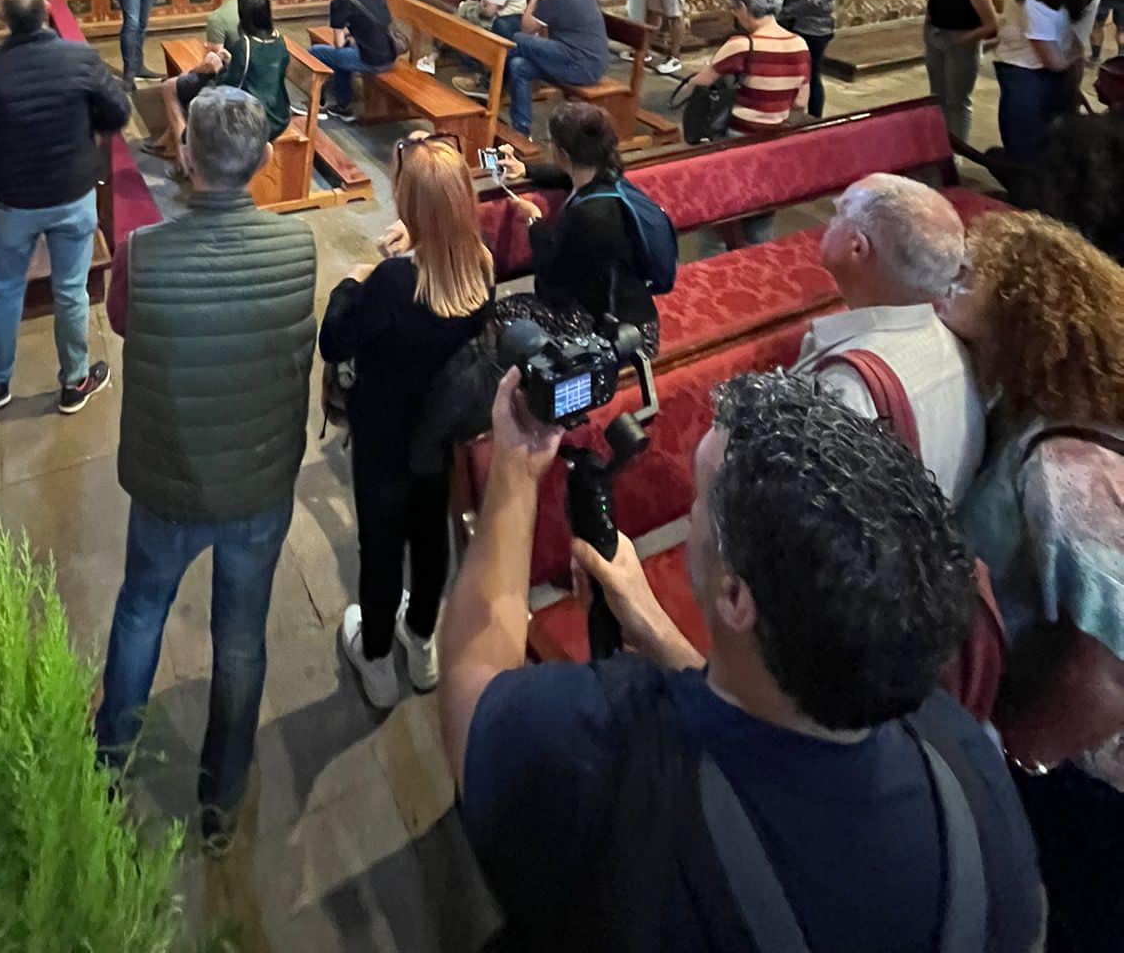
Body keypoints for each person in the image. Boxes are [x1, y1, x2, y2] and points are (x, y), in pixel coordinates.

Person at [441, 367, 1044, 953]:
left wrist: (516, 466)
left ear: (734, 597)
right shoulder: (966, 762)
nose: (692, 513)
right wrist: (658, 631)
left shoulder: (602, 747)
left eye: (701, 500)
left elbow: (472, 685)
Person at [96, 88, 317, 853]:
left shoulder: (143, 252)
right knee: (242, 639)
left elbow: (120, 320)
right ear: (263, 160)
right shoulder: (298, 247)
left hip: (170, 478)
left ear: (185, 156)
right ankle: (221, 799)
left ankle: (108, 765)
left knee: (140, 613)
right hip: (257, 478)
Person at [942, 211, 1124, 953]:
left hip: (1079, 777)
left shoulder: (1066, 468)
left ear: (1020, 321)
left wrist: (1012, 759)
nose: (948, 293)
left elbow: (1105, 676)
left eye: (966, 283)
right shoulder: (1057, 404)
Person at [320, 137, 493, 711]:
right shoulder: (480, 266)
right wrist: (413, 246)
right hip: (438, 433)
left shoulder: (394, 283)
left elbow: (335, 341)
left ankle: (374, 656)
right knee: (429, 533)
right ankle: (420, 641)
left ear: (408, 205)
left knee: (380, 543)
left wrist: (354, 281)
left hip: (384, 434)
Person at [0, 0, 130, 414]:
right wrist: (86, 130)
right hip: (73, 194)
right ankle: (75, 380)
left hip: (12, 202)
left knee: (6, 290)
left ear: (3, 18)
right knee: (71, 291)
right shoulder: (79, 59)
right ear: (47, 11)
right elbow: (118, 111)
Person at [793, 173, 984, 502]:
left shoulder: (844, 388)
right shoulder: (958, 348)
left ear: (857, 247)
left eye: (838, 214)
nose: (830, 221)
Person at [495, 102, 658, 350]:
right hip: (638, 315)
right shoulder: (611, 177)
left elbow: (551, 274)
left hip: (618, 336)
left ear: (562, 154)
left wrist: (533, 220)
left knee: (505, 312)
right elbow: (567, 175)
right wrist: (526, 169)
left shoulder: (587, 215)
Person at [686, 0, 809, 246]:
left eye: (734, 8)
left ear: (743, 7)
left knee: (716, 227)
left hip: (736, 142)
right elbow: (800, 102)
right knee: (759, 228)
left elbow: (698, 85)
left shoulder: (742, 45)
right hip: (774, 145)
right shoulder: (799, 44)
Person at [991, 0, 1090, 165]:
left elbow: (1053, 61)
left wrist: (1069, 67)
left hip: (1029, 84)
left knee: (1024, 150)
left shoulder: (1034, 4)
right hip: (1032, 81)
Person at [1016, 53, 1124, 261]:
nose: (1094, 84)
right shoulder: (1085, 129)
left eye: (1103, 80)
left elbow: (1050, 201)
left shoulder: (1075, 131)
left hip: (1085, 248)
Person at [162, 0, 291, 152]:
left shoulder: (245, 45)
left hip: (253, 121)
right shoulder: (279, 40)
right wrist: (231, 62)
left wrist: (216, 69)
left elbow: (229, 88)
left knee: (193, 101)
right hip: (279, 115)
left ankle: (184, 151)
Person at [502, 0, 610, 138]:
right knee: (518, 66)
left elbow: (526, 27)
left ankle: (489, 84)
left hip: (580, 65)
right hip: (583, 62)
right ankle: (521, 131)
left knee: (516, 39)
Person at [923, 0, 999, 144]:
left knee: (957, 100)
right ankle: (939, 143)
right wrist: (928, 32)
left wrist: (963, 39)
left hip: (962, 43)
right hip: (936, 38)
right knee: (937, 97)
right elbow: (933, 8)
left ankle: (958, 148)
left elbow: (992, 24)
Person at [310, 0, 396, 121]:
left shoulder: (340, 1)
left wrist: (348, 36)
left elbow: (338, 43)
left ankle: (319, 103)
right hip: (390, 51)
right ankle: (342, 105)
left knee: (315, 52)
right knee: (342, 55)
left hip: (371, 60)